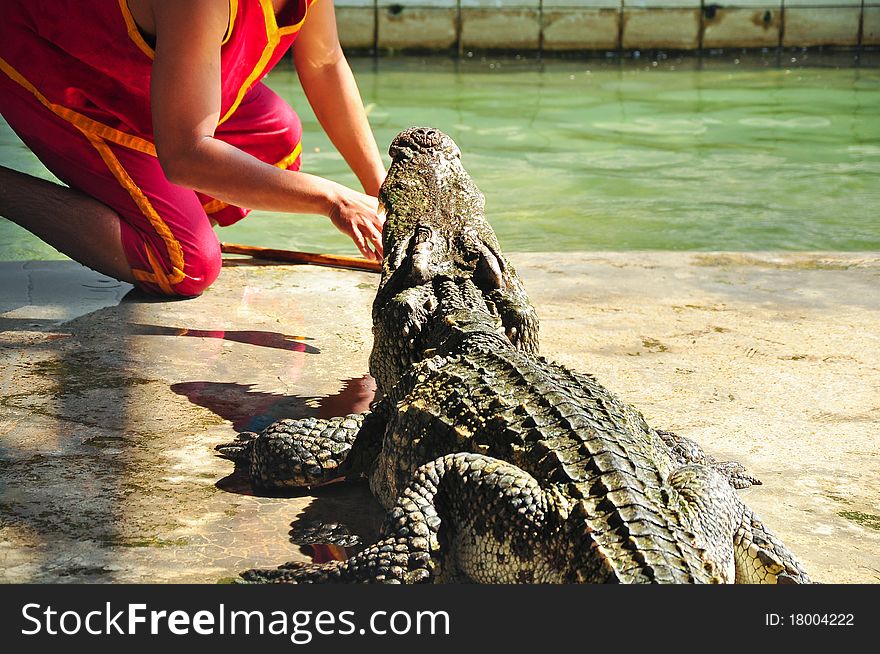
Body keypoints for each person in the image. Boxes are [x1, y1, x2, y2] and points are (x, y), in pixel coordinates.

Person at [0, 0, 386, 297]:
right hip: (57, 66)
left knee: (276, 138)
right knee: (182, 265)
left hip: (147, 77)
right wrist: (332, 199)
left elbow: (324, 62)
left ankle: (163, 212)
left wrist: (381, 188)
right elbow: (185, 156)